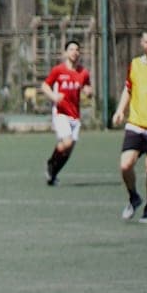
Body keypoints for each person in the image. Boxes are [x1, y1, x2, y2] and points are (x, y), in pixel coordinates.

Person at [41, 40, 92, 186]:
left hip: (75, 115)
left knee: (68, 151)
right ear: (65, 53)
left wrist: (89, 92)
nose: (74, 52)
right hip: (61, 112)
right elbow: (45, 86)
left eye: (77, 49)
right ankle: (51, 163)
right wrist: (54, 97)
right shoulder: (58, 70)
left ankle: (52, 175)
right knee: (67, 142)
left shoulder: (83, 72)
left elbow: (88, 88)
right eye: (71, 49)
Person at [112, 30, 147, 221]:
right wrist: (120, 111)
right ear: (142, 44)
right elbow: (128, 89)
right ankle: (134, 197)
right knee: (125, 166)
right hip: (135, 124)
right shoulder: (135, 64)